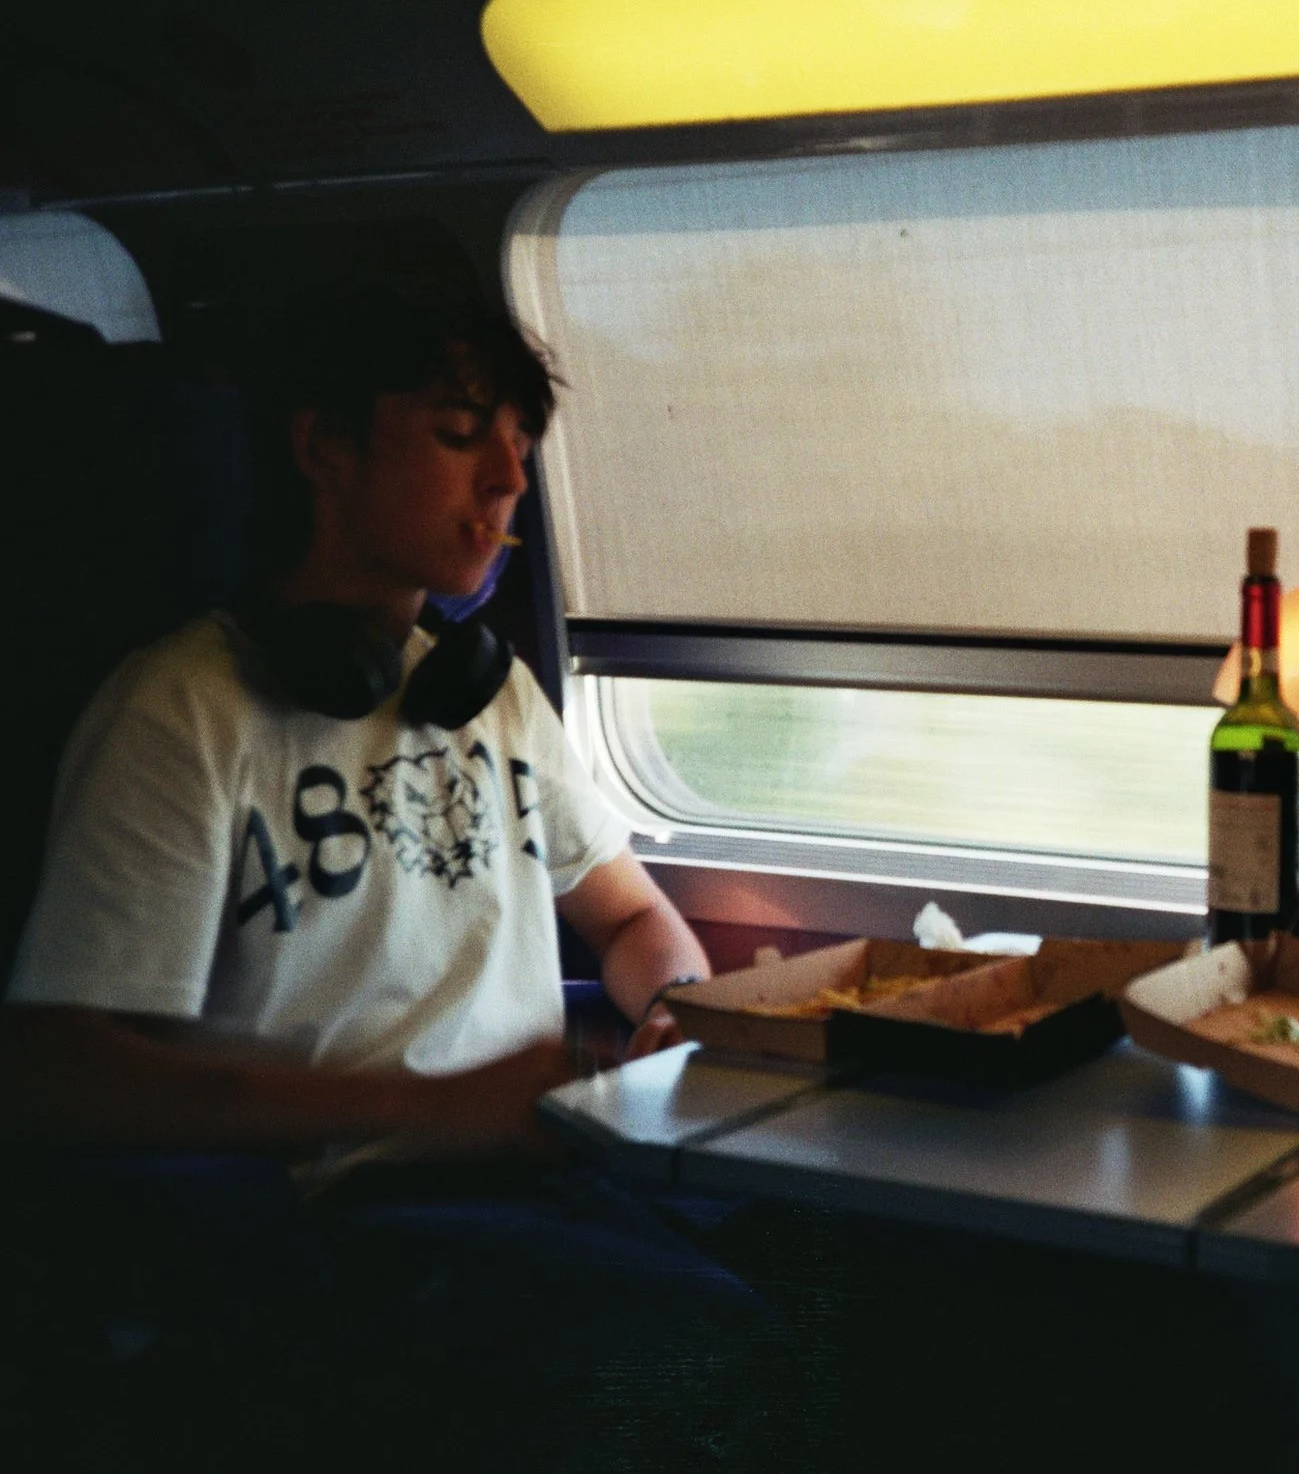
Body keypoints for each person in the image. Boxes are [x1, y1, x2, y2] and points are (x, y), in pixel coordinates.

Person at [0, 289, 771, 1466]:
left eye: (520, 443)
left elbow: (628, 913)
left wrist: (669, 1008)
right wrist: (425, 1106)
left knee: (859, 1271)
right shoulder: (182, 712)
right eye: (462, 435)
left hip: (545, 1159)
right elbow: (55, 1068)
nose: (508, 479)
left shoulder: (490, 692)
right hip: (343, 1207)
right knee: (712, 1357)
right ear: (326, 450)